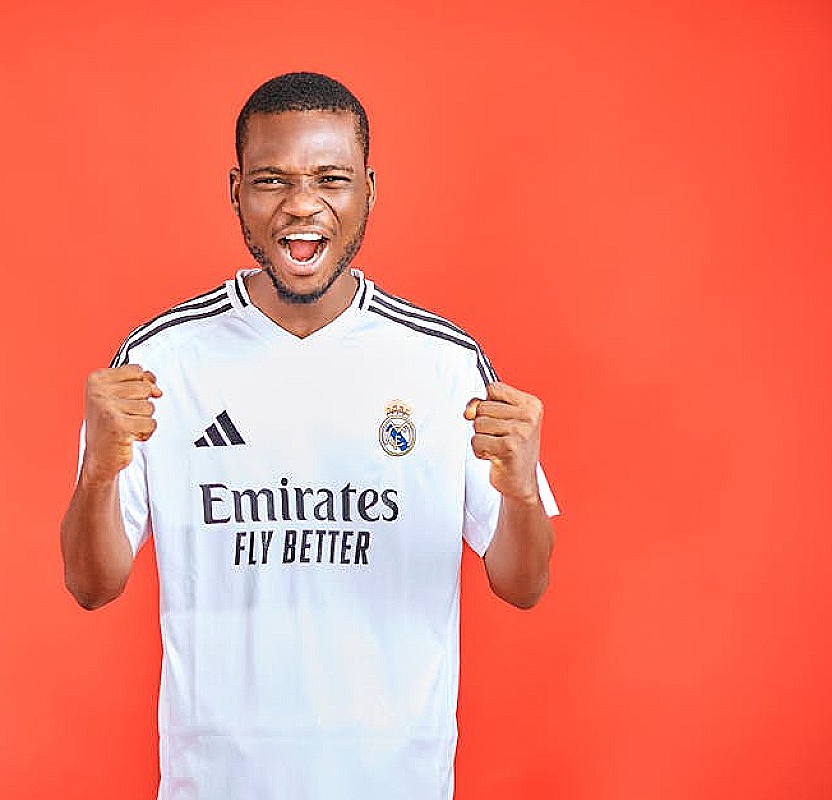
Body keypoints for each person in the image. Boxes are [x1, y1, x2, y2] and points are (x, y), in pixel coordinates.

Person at [60, 72, 559, 800]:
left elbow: (524, 582)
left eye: (331, 179)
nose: (302, 204)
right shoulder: (160, 362)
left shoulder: (445, 364)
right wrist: (97, 475)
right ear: (236, 192)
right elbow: (90, 583)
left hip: (396, 785)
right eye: (272, 180)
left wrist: (521, 496)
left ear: (369, 191)